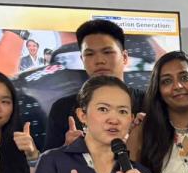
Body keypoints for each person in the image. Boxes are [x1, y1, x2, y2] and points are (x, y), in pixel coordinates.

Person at [44, 20, 146, 152]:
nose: (99, 61)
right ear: (82, 60)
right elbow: (48, 166)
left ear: (125, 57)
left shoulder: (148, 103)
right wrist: (66, 150)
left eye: (107, 52)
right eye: (90, 54)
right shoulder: (63, 109)